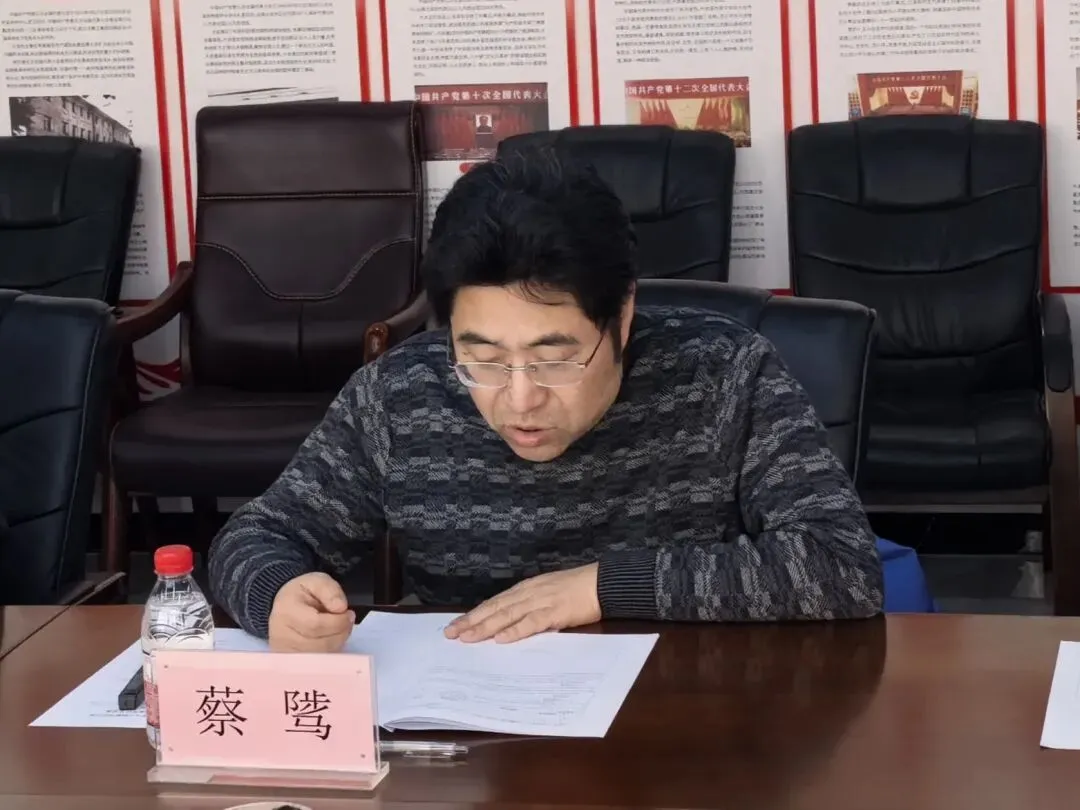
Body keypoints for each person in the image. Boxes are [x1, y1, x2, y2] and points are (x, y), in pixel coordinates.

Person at [207, 146, 884, 652]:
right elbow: (256, 537)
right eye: (483, 358)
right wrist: (278, 596)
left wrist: (601, 587)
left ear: (621, 318)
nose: (520, 398)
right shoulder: (397, 396)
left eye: (554, 358)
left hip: (684, 720)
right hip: (475, 732)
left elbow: (842, 565)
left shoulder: (726, 374)